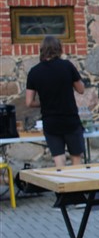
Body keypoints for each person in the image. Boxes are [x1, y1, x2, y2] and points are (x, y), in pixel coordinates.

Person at [25, 36, 86, 168]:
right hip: (70, 119)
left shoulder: (34, 72)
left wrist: (44, 102)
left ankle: (61, 181)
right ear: (59, 49)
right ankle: (77, 181)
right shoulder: (67, 66)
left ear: (42, 50)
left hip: (50, 121)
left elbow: (29, 102)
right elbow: (81, 89)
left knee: (59, 159)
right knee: (76, 158)